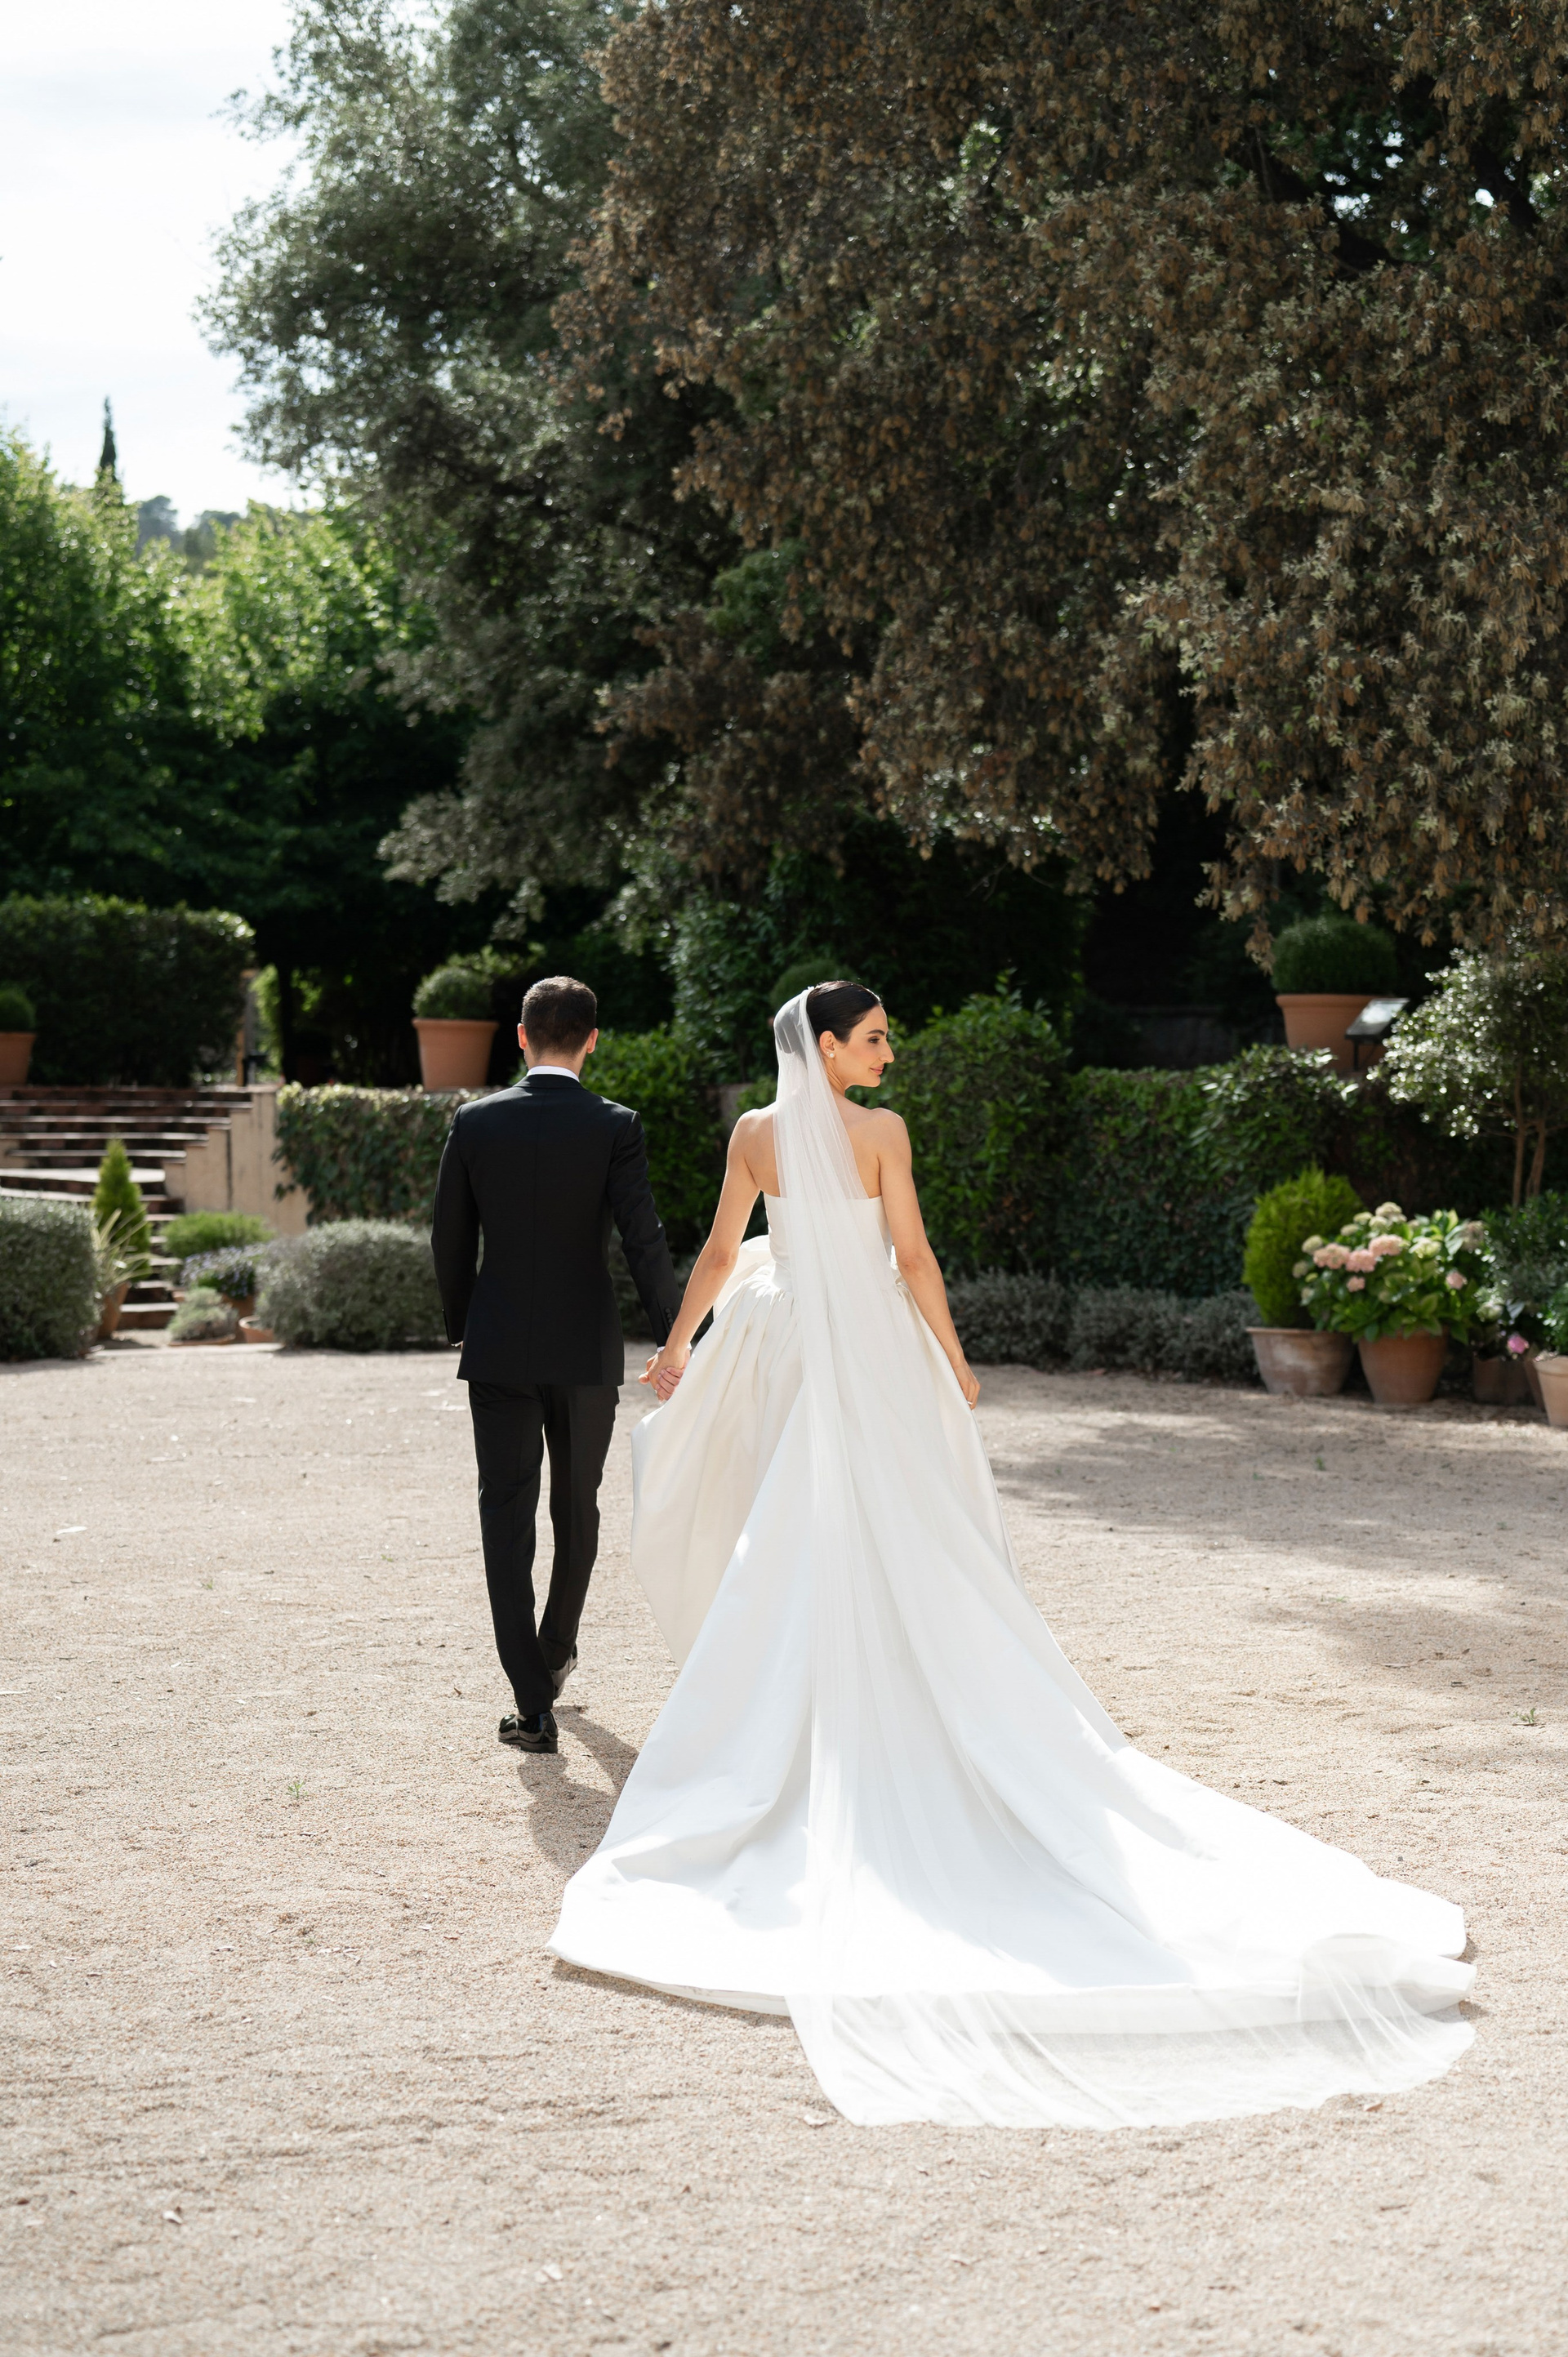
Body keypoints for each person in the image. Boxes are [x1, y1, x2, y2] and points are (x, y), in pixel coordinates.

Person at [549, 981, 1476, 2129]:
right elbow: (914, 1257)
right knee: (893, 1529)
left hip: (781, 1340)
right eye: (875, 1037)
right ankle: (888, 1699)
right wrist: (955, 1358)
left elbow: (719, 1251)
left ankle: (801, 1720)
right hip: (866, 1348)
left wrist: (681, 1343)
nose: (890, 1052)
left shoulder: (754, 1132)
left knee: (795, 1530)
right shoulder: (880, 1133)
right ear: (826, 1046)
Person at [430, 974, 682, 1757]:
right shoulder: (615, 1126)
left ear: (520, 1036)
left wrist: (461, 1324)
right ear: (593, 1040)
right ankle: (557, 1648)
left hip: (499, 1347)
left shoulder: (475, 1121)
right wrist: (677, 1337)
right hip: (585, 1350)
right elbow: (643, 1239)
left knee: (504, 1516)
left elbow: (449, 1237)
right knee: (578, 1509)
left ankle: (531, 1703)